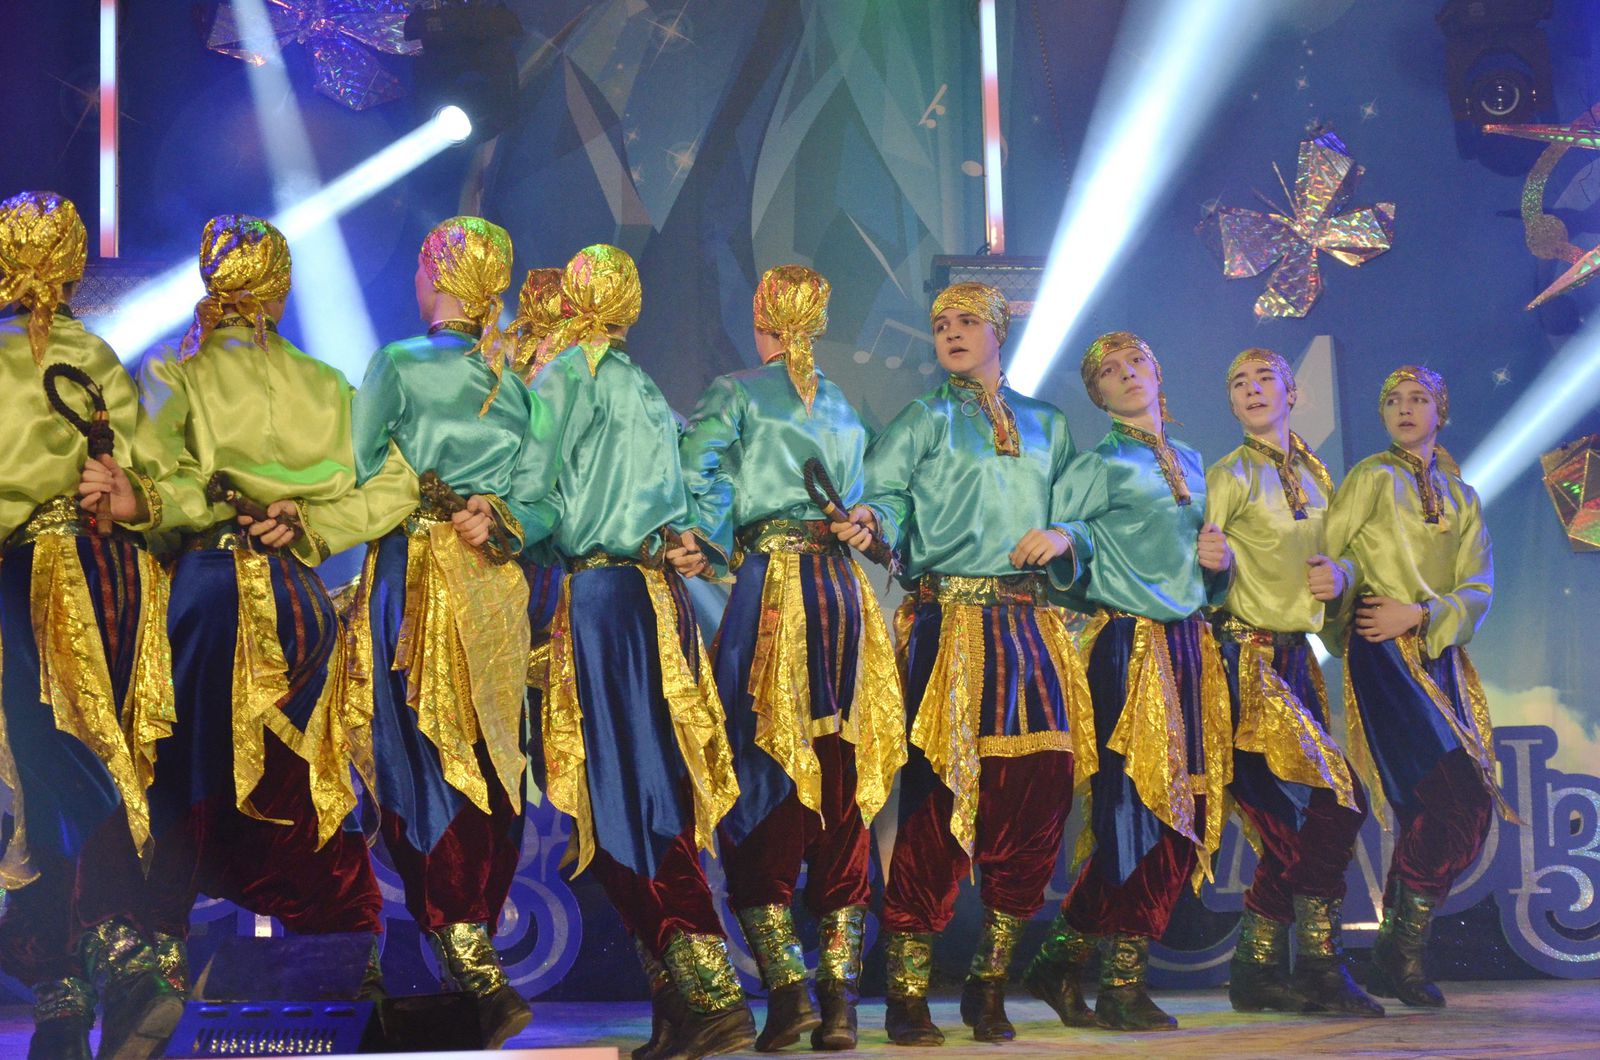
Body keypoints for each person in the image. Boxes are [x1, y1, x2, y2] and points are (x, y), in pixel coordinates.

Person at [90, 215, 417, 1027]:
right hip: (300, 598)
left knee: (180, 772)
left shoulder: (176, 369)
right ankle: (346, 958)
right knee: (307, 776)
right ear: (282, 287)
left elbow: (163, 486)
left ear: (209, 279)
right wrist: (311, 525)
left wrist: (164, 506)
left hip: (208, 591)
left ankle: (157, 970)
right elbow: (397, 483)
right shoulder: (327, 382)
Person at [841, 282, 1093, 1046]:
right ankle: (908, 994)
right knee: (936, 809)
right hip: (950, 623)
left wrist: (1068, 534)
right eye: (940, 324)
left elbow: (1080, 510)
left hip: (1031, 627)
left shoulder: (1048, 424)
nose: (950, 333)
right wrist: (872, 518)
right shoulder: (926, 417)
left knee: (1036, 799)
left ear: (999, 330)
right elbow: (883, 493)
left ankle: (990, 984)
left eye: (967, 322)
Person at [524, 244, 755, 1060]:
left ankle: (713, 994)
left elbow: (533, 488)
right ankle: (679, 1005)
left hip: (602, 598)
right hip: (656, 601)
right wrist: (695, 537)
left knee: (626, 800)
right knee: (643, 794)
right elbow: (691, 488)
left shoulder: (567, 377)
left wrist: (492, 519)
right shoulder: (644, 386)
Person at [679, 264, 905, 1052]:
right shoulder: (842, 403)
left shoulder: (736, 391)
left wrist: (706, 542)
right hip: (843, 596)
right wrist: (868, 521)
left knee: (758, 779)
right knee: (840, 787)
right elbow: (879, 498)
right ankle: (840, 1003)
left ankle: (789, 991)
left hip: (773, 591)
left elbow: (695, 473)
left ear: (762, 317)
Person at [344, 217, 550, 1047]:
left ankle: (472, 962)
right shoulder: (513, 385)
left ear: (433, 276)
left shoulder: (398, 363)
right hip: (490, 583)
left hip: (428, 578)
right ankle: (473, 958)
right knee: (483, 758)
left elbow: (358, 472)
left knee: (434, 756)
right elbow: (540, 500)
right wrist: (499, 517)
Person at [0, 190, 177, 1060]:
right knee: (96, 763)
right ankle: (74, 1003)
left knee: (45, 769)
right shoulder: (98, 353)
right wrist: (131, 497)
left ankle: (107, 967)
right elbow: (154, 476)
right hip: (116, 580)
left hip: (29, 577)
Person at [1024, 331, 1232, 1032]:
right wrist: (1066, 539)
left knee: (1188, 811)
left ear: (1157, 371)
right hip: (1129, 644)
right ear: (1099, 396)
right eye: (1109, 372)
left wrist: (1220, 562)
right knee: (1137, 811)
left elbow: (1203, 567)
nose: (1126, 375)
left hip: (1190, 647)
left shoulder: (1193, 461)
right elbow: (1068, 534)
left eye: (1135, 362)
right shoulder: (1100, 463)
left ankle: (1060, 959)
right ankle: (1120, 982)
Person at [1322, 364, 1514, 1008]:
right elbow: (1334, 555)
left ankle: (1397, 951)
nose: (1405, 409)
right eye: (1393, 401)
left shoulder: (1462, 497)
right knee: (1453, 799)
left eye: (1419, 398)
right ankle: (1398, 953)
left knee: (1444, 807)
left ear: (1441, 411)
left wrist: (1424, 614)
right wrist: (1347, 588)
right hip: (1382, 647)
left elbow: (1478, 586)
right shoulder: (1370, 476)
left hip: (1436, 651)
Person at [1204, 348, 1381, 1017]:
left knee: (1292, 827)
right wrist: (1213, 563)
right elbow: (1198, 571)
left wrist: (1341, 577)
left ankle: (1257, 970)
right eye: (1238, 383)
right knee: (1338, 800)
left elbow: (1343, 559)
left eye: (1264, 380)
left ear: (1292, 392)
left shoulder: (1316, 472)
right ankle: (1319, 965)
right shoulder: (1229, 474)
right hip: (1243, 661)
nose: (1252, 390)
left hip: (1296, 660)